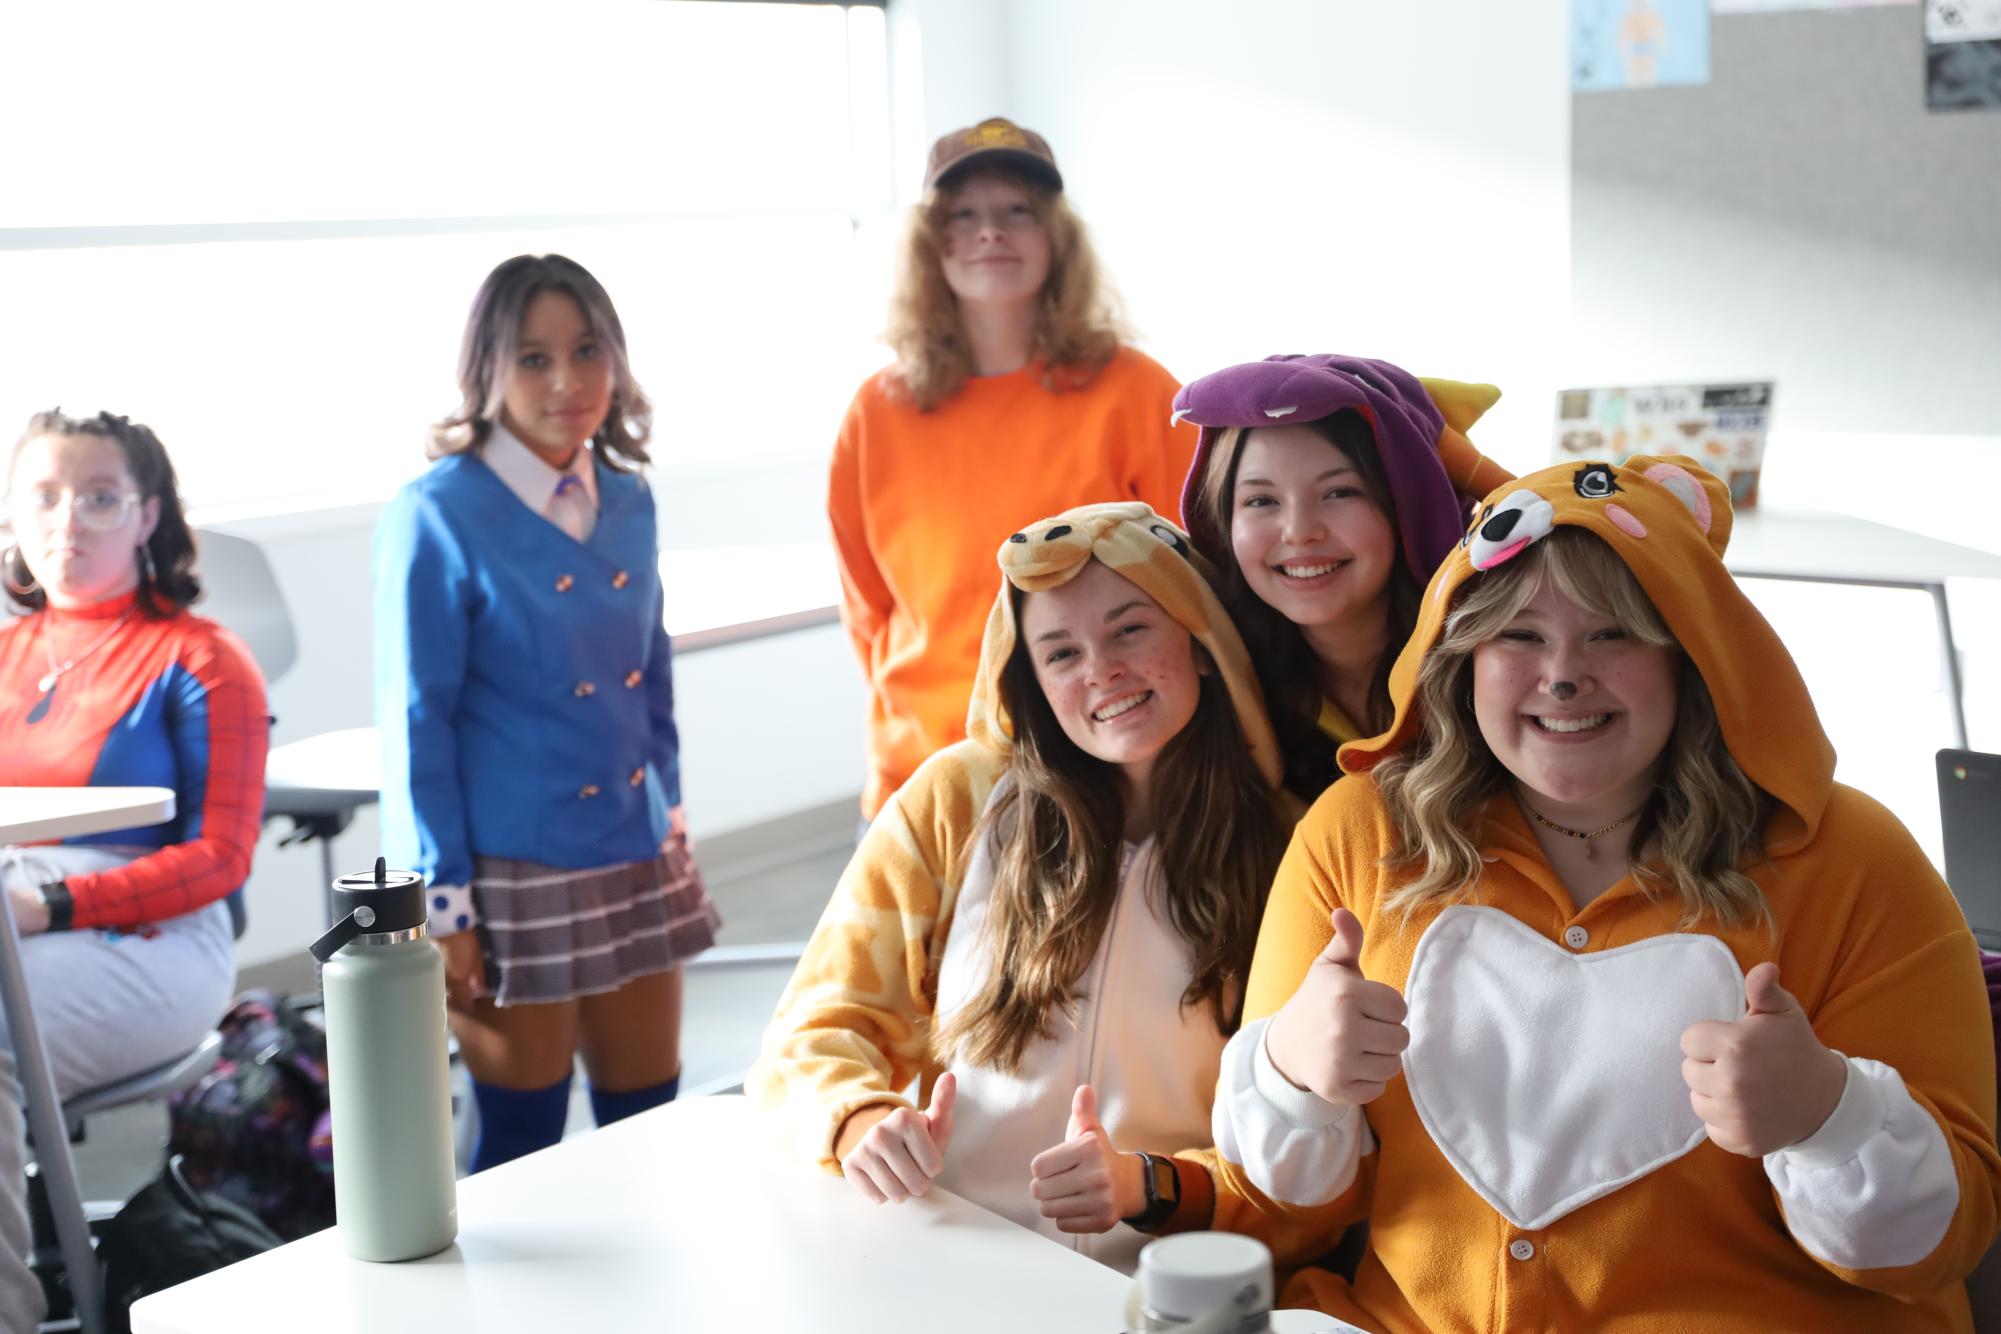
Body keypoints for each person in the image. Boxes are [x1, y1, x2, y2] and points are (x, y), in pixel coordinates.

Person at [1210, 456, 2001, 1328]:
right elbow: (1286, 1202)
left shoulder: (1855, 862)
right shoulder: (1357, 832)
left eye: (1611, 634)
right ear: (1460, 658)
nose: (1560, 675)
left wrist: (1827, 1115)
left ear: (1689, 657)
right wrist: (1290, 1074)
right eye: (1517, 636)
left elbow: (1947, 1245)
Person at [750, 502, 1291, 1272]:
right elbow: (810, 1029)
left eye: (1130, 629)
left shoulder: (1290, 844)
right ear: (1031, 681)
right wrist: (857, 1118)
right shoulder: (955, 801)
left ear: (1201, 640)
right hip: (949, 1265)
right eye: (1060, 652)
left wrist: (1147, 1187)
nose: (1101, 669)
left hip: (1157, 1289)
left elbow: (1302, 1153)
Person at [375, 254, 718, 1173]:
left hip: (634, 843)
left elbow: (648, 672)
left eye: (586, 350)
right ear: (487, 371)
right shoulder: (436, 512)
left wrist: (671, 811)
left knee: (649, 1125)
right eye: (532, 358)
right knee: (520, 1144)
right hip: (505, 869)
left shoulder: (630, 496)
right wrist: (440, 901)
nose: (566, 382)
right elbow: (417, 723)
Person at [830, 116, 1198, 823]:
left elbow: (1193, 585)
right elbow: (867, 610)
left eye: (1015, 212)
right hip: (926, 772)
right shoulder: (876, 412)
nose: (989, 232)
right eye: (962, 214)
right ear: (928, 245)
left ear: (1054, 237)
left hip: (1106, 767)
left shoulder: (1136, 390)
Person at [0, 408, 268, 1329]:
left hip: (146, 939)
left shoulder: (203, 659)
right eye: (43, 497)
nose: (66, 522)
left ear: (147, 516)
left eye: (99, 499)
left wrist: (56, 903)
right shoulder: (4, 654)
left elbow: (221, 859)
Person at [1174, 354, 1512, 802]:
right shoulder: (1215, 681)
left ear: (1407, 509)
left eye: (1339, 492)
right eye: (1261, 501)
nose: (1299, 531)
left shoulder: (1500, 655)